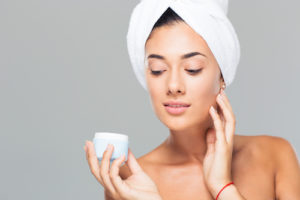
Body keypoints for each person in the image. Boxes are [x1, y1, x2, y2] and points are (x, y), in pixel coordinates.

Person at [84, 7, 300, 200]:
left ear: (221, 76)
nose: (174, 85)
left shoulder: (274, 154)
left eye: (192, 68)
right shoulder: (130, 180)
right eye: (158, 69)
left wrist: (223, 188)